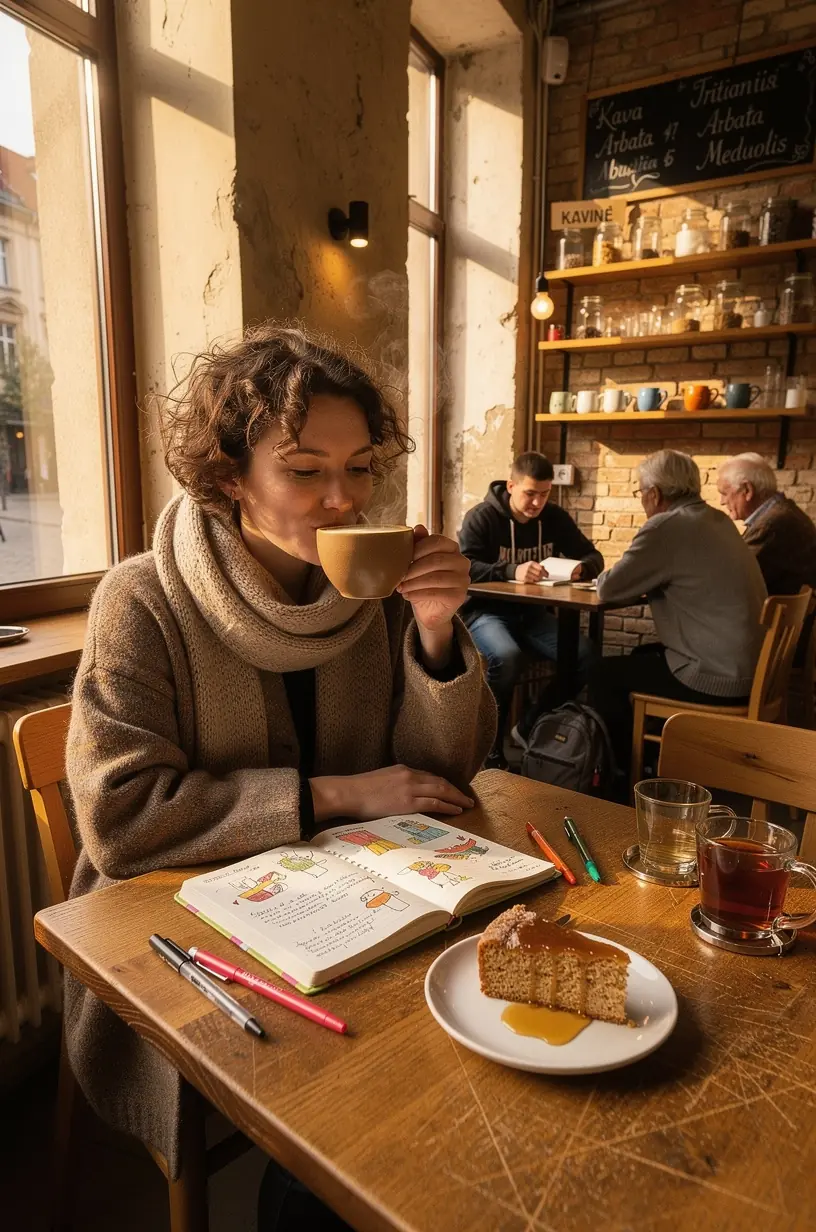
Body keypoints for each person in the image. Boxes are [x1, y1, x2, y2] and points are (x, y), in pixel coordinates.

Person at [63, 323, 496, 1230]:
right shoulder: (141, 601)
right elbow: (122, 820)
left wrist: (434, 628)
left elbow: (437, 783)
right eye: (305, 471)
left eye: (361, 468)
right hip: (182, 932)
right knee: (357, 1101)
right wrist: (334, 796)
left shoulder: (371, 593)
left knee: (455, 1044)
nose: (344, 500)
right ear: (229, 478)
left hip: (343, 904)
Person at [590, 449, 767, 783]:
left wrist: (602, 575)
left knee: (601, 673)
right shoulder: (718, 519)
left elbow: (610, 588)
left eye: (641, 493)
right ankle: (656, 761)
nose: (643, 500)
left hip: (714, 678)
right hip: (751, 674)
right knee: (640, 657)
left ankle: (625, 777)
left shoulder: (666, 526)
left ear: (654, 494)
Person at [458, 451, 604, 765]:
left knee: (586, 656)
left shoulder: (554, 517)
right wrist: (511, 570)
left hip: (534, 614)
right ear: (511, 486)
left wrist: (581, 567)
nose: (537, 503)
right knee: (507, 657)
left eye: (544, 494)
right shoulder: (482, 517)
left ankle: (529, 726)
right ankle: (488, 750)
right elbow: (464, 566)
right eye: (530, 493)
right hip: (486, 612)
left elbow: (593, 556)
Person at [717, 452, 816, 596]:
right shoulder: (784, 510)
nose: (722, 501)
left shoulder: (772, 525)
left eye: (724, 493)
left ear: (747, 490)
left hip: (771, 609)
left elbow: (729, 581)